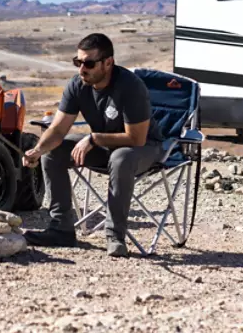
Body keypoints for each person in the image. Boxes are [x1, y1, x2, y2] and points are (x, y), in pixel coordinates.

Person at [23, 33, 163, 257]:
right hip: (106, 146)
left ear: (108, 63)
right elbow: (58, 130)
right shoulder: (78, 85)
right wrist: (39, 149)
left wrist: (93, 138)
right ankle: (61, 229)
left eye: (88, 63)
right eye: (78, 62)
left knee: (121, 158)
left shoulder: (130, 86)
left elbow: (136, 138)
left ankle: (115, 236)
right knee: (53, 152)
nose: (81, 69)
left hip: (145, 148)